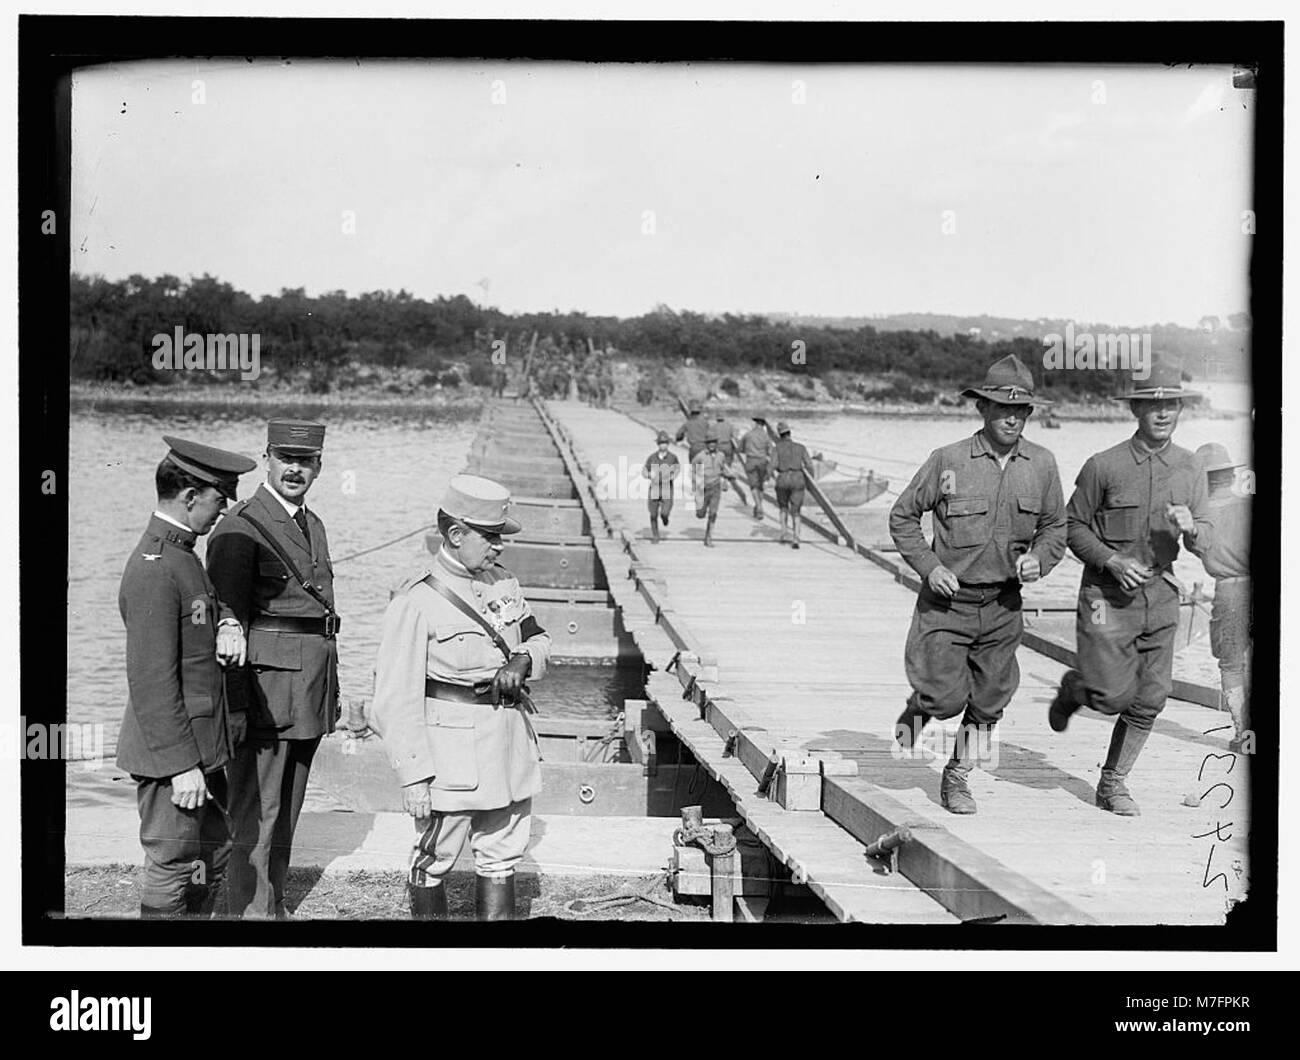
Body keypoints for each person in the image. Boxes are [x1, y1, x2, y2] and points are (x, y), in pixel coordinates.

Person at [889, 356, 1066, 814]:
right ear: (982, 410)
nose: (1012, 417)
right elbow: (904, 516)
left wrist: (1039, 560)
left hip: (1004, 605)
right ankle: (922, 707)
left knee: (991, 699)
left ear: (1029, 414)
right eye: (1002, 408)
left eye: (1022, 410)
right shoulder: (947, 460)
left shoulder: (1042, 465)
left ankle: (957, 776)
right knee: (944, 698)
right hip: (948, 604)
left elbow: (1055, 529)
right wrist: (930, 567)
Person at [369, 475, 551, 921]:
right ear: (455, 534)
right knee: (435, 860)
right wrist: (413, 777)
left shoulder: (504, 584)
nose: (499, 547)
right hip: (451, 762)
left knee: (502, 856)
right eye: (491, 537)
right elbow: (394, 699)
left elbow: (539, 637)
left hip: (508, 749)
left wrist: (522, 660)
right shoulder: (416, 602)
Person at [1046, 361, 1214, 815]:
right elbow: (1070, 526)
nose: (1163, 413)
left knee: (1152, 696)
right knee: (1112, 695)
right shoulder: (1104, 466)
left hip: (1160, 597)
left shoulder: (1191, 468)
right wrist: (1111, 560)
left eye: (1171, 405)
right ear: (1136, 409)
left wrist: (1194, 527)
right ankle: (1079, 688)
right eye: (1153, 404)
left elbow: (1209, 538)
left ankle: (1113, 782)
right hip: (1105, 597)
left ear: (1180, 409)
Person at [206, 419, 341, 918]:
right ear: (266, 458)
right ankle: (247, 919)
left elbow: (318, 616)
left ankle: (273, 907)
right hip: (264, 696)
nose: (294, 469)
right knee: (255, 816)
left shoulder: (313, 524)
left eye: (305, 461)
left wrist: (331, 691)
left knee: (285, 814)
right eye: (286, 459)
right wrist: (236, 706)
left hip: (307, 693)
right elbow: (226, 626)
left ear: (319, 467)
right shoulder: (240, 528)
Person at [117, 436, 256, 918]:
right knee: (174, 862)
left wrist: (226, 623)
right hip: (173, 756)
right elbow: (151, 682)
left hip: (201, 746)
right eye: (219, 500)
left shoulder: (181, 555)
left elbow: (204, 606)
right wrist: (180, 766)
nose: (222, 512)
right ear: (190, 496)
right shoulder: (156, 567)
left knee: (210, 854)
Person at [1196, 442, 1252, 752]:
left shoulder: (1200, 518)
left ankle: (1243, 734)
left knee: (1231, 663)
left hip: (1230, 591)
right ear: (1231, 475)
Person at [772, 421, 817, 549]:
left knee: (783, 508)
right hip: (798, 479)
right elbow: (809, 465)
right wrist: (810, 481)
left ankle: (784, 534)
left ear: (780, 435)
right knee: (796, 511)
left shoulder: (776, 448)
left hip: (783, 479)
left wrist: (767, 477)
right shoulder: (801, 447)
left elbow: (773, 465)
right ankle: (796, 538)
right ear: (790, 433)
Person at [690, 427, 737, 548]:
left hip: (716, 487)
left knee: (713, 513)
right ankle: (699, 508)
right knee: (700, 514)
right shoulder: (700, 456)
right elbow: (693, 469)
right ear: (706, 444)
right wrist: (695, 484)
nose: (712, 445)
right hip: (703, 487)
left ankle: (708, 537)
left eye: (714, 442)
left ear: (716, 443)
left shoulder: (721, 455)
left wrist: (728, 478)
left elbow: (724, 468)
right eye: (710, 442)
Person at [642, 430, 681, 543]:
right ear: (658, 444)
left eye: (665, 443)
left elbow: (677, 467)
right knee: (653, 513)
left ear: (668, 444)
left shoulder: (672, 457)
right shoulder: (652, 458)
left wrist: (673, 476)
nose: (663, 445)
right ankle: (655, 535)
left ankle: (665, 518)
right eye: (661, 443)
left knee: (664, 512)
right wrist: (648, 475)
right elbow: (644, 470)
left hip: (667, 488)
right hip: (654, 487)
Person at [739, 415, 775, 519]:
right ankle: (758, 506)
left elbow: (740, 449)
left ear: (755, 423)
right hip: (762, 461)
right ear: (763, 425)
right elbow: (770, 452)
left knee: (753, 486)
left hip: (751, 460)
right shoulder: (766, 436)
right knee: (760, 486)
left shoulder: (748, 435)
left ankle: (758, 506)